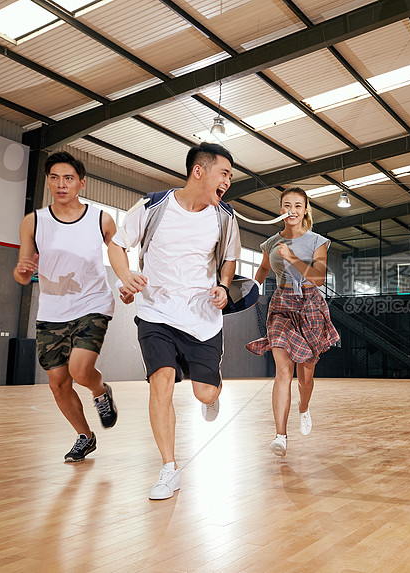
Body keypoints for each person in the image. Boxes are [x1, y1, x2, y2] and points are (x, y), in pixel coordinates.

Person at [108, 142, 241, 500]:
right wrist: (126, 277)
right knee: (161, 382)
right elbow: (117, 245)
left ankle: (212, 391)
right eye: (224, 173)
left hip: (202, 320)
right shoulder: (152, 206)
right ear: (199, 171)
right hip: (156, 314)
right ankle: (169, 468)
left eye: (230, 176)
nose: (228, 181)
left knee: (204, 392)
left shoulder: (225, 217)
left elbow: (229, 261)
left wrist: (224, 287)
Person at [13, 151, 118, 463]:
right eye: (54, 178)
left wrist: (127, 280)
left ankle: (100, 391)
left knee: (80, 370)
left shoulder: (101, 219)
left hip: (93, 304)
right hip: (51, 312)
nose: (61, 184)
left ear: (81, 183)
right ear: (48, 182)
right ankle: (85, 437)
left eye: (68, 178)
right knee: (59, 384)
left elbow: (120, 253)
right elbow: (22, 272)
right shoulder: (33, 221)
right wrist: (21, 272)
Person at [246, 187, 339, 456]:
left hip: (310, 304)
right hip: (282, 305)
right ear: (281, 210)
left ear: (305, 209)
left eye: (298, 205)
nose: (292, 210)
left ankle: (304, 407)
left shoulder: (317, 241)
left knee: (305, 377)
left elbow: (319, 278)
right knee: (283, 372)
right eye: (287, 205)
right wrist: (253, 287)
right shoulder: (271, 243)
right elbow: (264, 268)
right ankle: (280, 436)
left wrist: (294, 258)